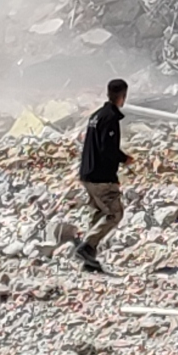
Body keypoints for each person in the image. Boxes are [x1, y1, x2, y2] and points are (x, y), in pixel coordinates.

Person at [53, 78, 131, 272]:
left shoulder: (96, 116)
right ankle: (86, 248)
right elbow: (107, 148)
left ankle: (89, 260)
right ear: (122, 96)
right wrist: (125, 158)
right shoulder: (110, 118)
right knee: (115, 213)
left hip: (87, 173)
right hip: (101, 176)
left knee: (98, 214)